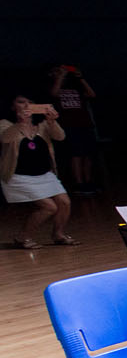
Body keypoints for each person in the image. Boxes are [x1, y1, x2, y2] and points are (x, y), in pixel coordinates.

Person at [3, 95, 74, 248]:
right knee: (49, 207)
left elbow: (60, 137)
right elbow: (5, 139)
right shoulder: (5, 124)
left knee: (64, 202)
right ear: (13, 107)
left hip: (44, 174)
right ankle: (23, 237)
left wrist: (52, 121)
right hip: (18, 176)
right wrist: (20, 123)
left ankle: (58, 234)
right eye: (22, 102)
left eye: (31, 102)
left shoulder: (42, 124)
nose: (27, 105)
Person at [48, 64, 98, 194]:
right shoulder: (53, 87)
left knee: (88, 154)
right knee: (76, 154)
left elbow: (92, 94)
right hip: (69, 126)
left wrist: (80, 77)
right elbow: (54, 93)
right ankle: (79, 183)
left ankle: (88, 181)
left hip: (84, 124)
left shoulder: (75, 86)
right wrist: (60, 76)